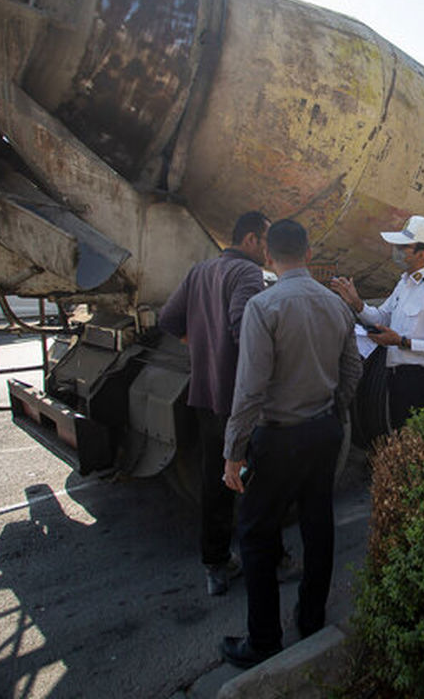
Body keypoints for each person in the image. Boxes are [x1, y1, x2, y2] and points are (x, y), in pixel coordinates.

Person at [220, 219, 362, 669]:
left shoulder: (265, 307)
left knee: (257, 535)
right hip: (323, 431)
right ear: (307, 251)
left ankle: (263, 640)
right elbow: (352, 370)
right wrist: (334, 410)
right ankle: (311, 617)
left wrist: (233, 452)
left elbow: (250, 390)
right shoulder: (336, 305)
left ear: (267, 256)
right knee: (318, 524)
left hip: (278, 437)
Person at [158, 210, 269, 596]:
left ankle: (216, 566)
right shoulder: (248, 274)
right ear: (251, 240)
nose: (268, 252)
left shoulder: (199, 271)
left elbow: (169, 321)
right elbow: (245, 329)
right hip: (239, 399)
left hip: (205, 394)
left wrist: (204, 347)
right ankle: (272, 556)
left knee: (215, 480)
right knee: (257, 481)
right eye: (265, 242)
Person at [329, 215, 424, 429]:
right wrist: (356, 303)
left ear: (422, 253)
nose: (396, 250)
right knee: (400, 438)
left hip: (421, 381)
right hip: (397, 378)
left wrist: (402, 341)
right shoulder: (404, 283)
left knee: (417, 444)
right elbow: (381, 317)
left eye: (403, 247)